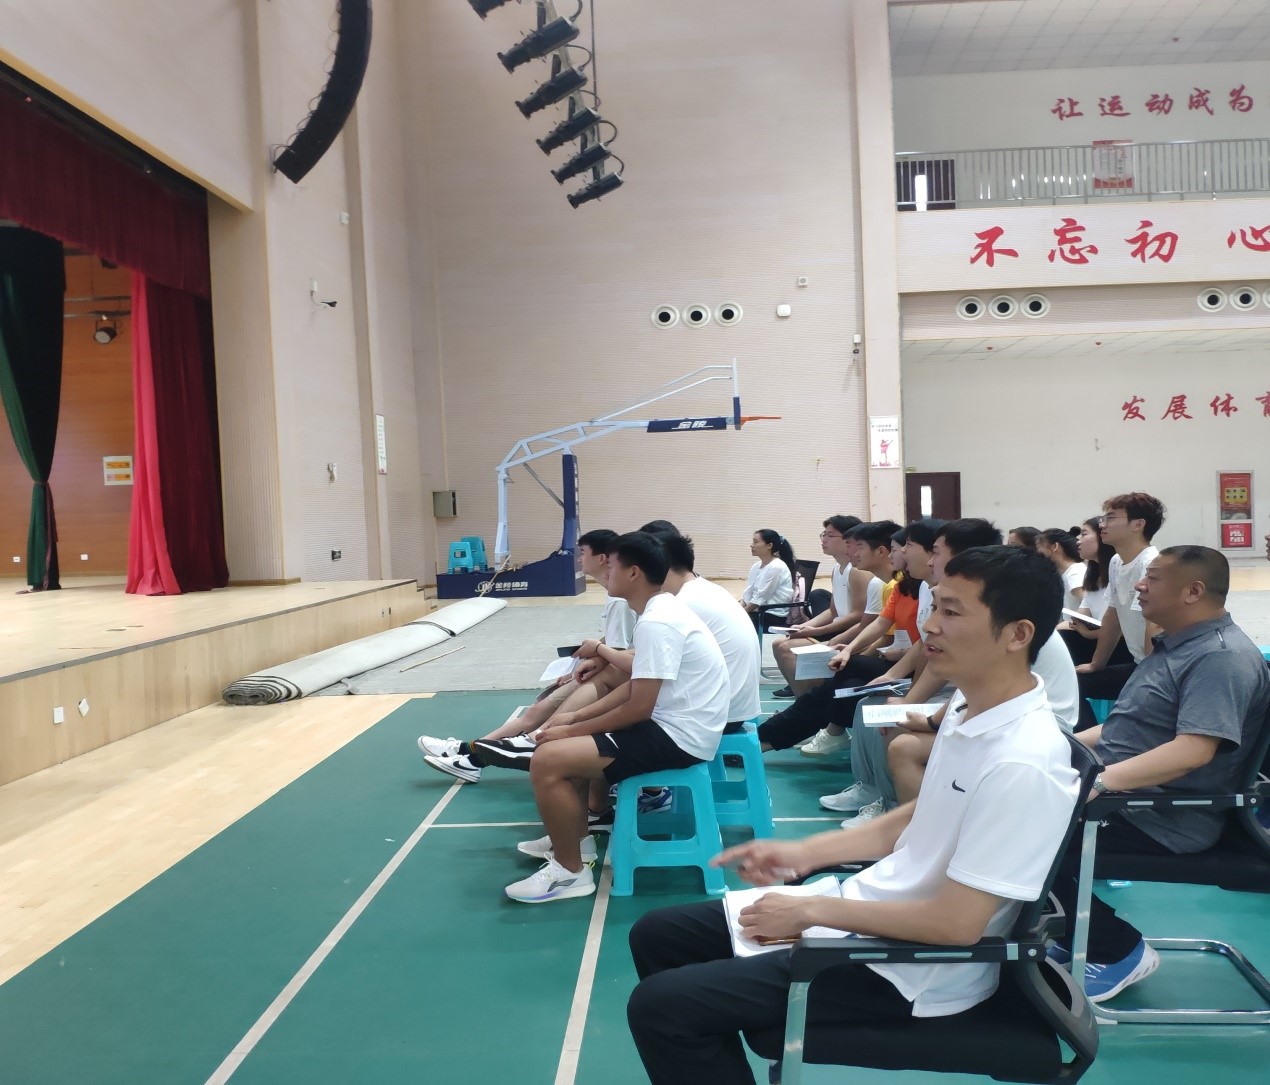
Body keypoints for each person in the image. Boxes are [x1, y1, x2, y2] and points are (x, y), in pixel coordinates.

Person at [626, 546, 1080, 1085]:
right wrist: (803, 853)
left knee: (663, 1008)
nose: (930, 625)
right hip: (873, 912)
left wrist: (811, 911)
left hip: (909, 969)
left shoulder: (1023, 762)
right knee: (658, 935)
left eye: (952, 612)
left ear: (1017, 634)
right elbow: (919, 816)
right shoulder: (969, 709)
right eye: (935, 606)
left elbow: (956, 925)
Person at [1053, 546, 1270, 1002]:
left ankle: (1115, 951)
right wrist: (1056, 747)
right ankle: (1079, 933)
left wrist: (1098, 783)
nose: (1139, 585)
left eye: (1152, 578)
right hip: (1129, 799)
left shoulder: (1220, 658)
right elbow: (1125, 727)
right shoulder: (1178, 646)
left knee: (1022, 834)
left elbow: (1193, 750)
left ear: (1193, 591)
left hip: (1162, 815)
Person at [502, 531, 729, 904]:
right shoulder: (659, 612)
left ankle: (570, 874)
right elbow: (636, 684)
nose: (605, 573)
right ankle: (576, 846)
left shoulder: (659, 622)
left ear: (634, 572)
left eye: (611, 566)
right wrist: (573, 720)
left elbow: (638, 708)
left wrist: (571, 729)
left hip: (679, 738)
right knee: (565, 750)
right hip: (674, 726)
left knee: (547, 760)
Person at [828, 520, 1080, 823]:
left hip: (1020, 723)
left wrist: (922, 715)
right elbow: (966, 686)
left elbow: (972, 687)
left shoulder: (998, 622)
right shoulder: (958, 606)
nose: (930, 625)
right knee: (881, 715)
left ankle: (901, 813)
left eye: (934, 551)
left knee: (903, 742)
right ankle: (890, 806)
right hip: (989, 714)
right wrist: (922, 713)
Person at [417, 527, 635, 782]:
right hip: (602, 672)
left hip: (607, 677)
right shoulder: (616, 597)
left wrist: (595, 653)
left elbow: (619, 651)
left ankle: (474, 756)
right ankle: (468, 752)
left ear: (603, 559)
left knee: (546, 720)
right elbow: (617, 642)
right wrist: (583, 660)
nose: (578, 559)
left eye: (583, 552)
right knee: (535, 714)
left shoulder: (619, 601)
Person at [757, 519, 941, 757]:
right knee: (841, 685)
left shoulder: (927, 591)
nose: (900, 553)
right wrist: (847, 649)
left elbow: (918, 644)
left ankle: (774, 736)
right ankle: (790, 733)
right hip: (899, 662)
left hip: (907, 666)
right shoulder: (905, 587)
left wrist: (907, 693)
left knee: (839, 681)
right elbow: (881, 624)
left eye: (906, 547)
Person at [1075, 492, 1167, 730]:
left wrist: (1149, 678)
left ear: (1138, 525)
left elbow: (1153, 624)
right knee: (1074, 681)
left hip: (1157, 670)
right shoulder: (1116, 561)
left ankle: (1095, 744)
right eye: (1103, 518)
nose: (1102, 525)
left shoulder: (1150, 564)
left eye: (1111, 518)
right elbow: (1113, 614)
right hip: (1139, 663)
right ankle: (1084, 743)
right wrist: (1096, 664)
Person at [770, 515, 867, 698]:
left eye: (829, 535)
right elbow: (833, 611)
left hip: (852, 635)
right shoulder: (837, 570)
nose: (824, 540)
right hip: (840, 631)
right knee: (778, 644)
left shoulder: (857, 571)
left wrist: (815, 631)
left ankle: (807, 703)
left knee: (787, 649)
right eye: (823, 534)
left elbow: (858, 615)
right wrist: (804, 626)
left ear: (848, 539)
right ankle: (803, 701)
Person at [1055, 517, 1131, 669]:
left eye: (1084, 534)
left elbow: (1124, 627)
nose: (1078, 541)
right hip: (1097, 639)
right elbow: (1080, 616)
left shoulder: (1122, 573)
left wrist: (1089, 634)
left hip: (1118, 645)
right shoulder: (1093, 577)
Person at [740, 529, 797, 632]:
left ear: (769, 545)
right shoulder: (756, 566)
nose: (751, 545)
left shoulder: (776, 567)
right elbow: (748, 594)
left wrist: (741, 614)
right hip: (757, 611)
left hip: (771, 615)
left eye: (756, 542)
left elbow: (759, 599)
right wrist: (738, 608)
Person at [1037, 527, 1085, 611]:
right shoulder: (1063, 573)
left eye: (1039, 547)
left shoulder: (1075, 573)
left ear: (1054, 546)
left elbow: (1089, 606)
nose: (1038, 552)